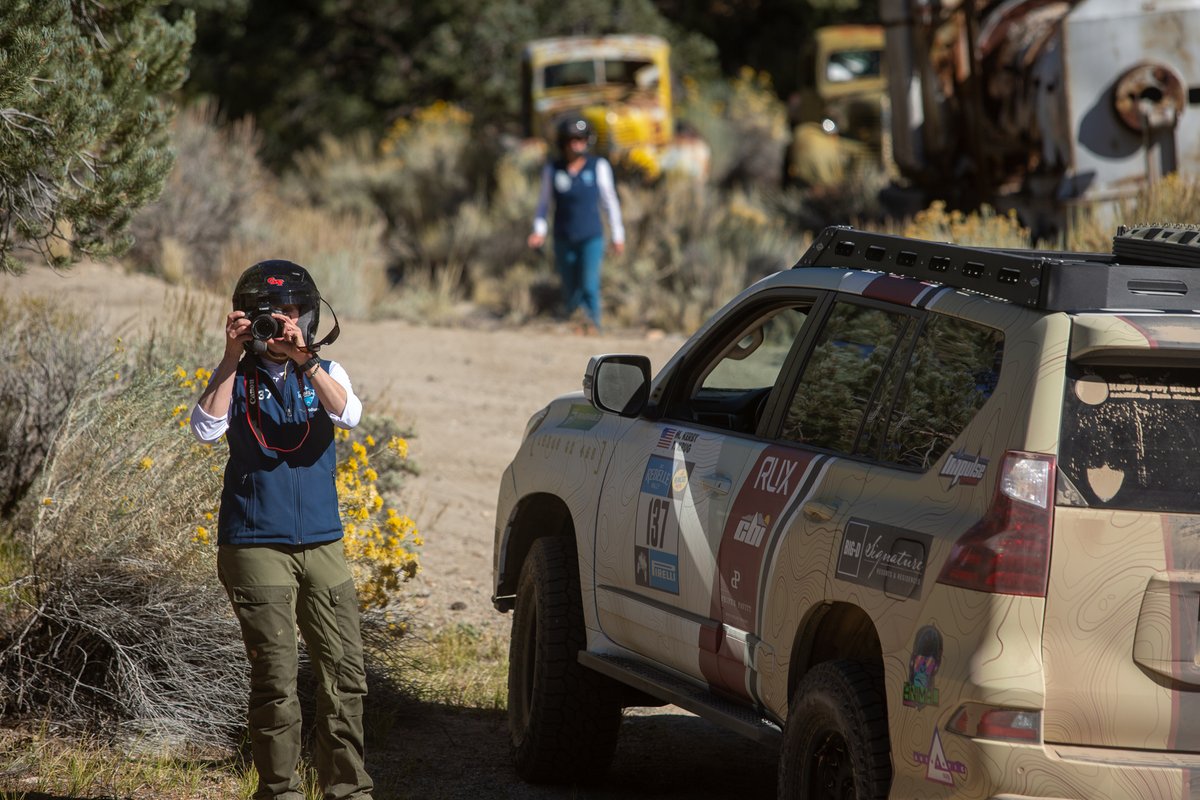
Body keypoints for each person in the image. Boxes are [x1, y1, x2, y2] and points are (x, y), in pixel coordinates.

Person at [190, 260, 372, 800]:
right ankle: (280, 793)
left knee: (345, 674)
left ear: (309, 317)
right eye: (271, 316)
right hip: (253, 542)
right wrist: (230, 356)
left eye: (292, 313)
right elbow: (205, 429)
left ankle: (349, 792)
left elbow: (351, 415)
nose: (282, 325)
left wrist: (304, 358)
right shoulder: (237, 376)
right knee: (276, 681)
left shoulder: (326, 371)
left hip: (323, 542)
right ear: (248, 319)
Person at [527, 116, 626, 333]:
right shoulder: (553, 169)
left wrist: (618, 235)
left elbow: (610, 202)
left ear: (587, 141)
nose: (576, 144)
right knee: (570, 285)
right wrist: (539, 231)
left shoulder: (598, 166)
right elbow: (544, 204)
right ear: (563, 142)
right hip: (563, 236)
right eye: (572, 139)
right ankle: (575, 323)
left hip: (591, 236)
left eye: (580, 139)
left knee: (589, 283)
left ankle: (593, 324)